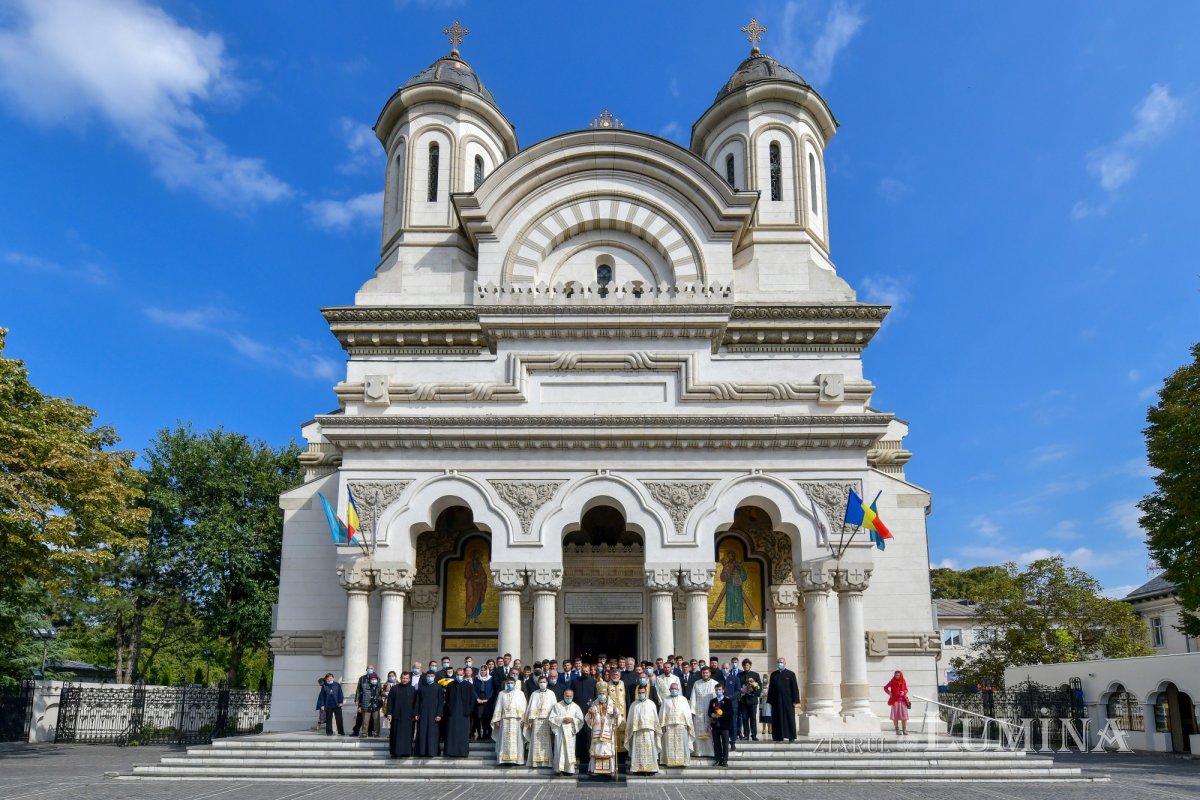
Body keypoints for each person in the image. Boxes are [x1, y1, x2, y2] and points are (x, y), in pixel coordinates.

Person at [585, 687, 622, 778]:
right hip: (597, 733)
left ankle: (609, 771)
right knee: (596, 751)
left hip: (608, 732)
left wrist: (615, 714)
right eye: (600, 694)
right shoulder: (594, 704)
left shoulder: (612, 705)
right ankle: (595, 770)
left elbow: (618, 717)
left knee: (607, 750)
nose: (602, 696)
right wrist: (591, 714)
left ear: (607, 694)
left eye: (603, 694)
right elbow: (588, 719)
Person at [624, 684, 661, 774]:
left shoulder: (651, 704)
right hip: (637, 732)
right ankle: (638, 769)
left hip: (649, 732)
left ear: (646, 693)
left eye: (643, 692)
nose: (641, 694)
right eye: (639, 693)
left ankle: (651, 769)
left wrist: (657, 730)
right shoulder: (634, 705)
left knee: (649, 750)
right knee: (638, 751)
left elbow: (655, 718)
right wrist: (629, 731)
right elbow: (630, 720)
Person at [549, 688, 586, 775]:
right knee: (559, 750)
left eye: (570, 696)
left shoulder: (576, 707)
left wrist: (572, 719)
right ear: (564, 696)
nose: (568, 698)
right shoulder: (557, 706)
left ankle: (569, 770)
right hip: (561, 731)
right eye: (567, 696)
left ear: (573, 696)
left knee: (570, 750)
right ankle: (559, 770)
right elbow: (551, 719)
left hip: (570, 732)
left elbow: (581, 720)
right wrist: (562, 719)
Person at [492, 675, 528, 764]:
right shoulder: (501, 693)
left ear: (515, 684)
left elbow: (524, 707)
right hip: (505, 720)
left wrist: (523, 720)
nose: (509, 685)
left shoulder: (520, 693)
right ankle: (503, 760)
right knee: (504, 740)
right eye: (508, 683)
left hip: (517, 720)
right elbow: (498, 706)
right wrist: (497, 719)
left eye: (511, 683)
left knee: (517, 740)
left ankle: (517, 760)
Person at [524, 675, 557, 768]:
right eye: (541, 682)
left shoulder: (551, 693)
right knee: (536, 741)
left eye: (544, 682)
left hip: (547, 721)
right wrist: (530, 720)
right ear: (538, 683)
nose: (542, 684)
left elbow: (555, 708)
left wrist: (553, 721)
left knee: (546, 742)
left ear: (547, 683)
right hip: (536, 720)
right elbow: (531, 707)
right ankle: (535, 762)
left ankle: (546, 762)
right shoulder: (534, 694)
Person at [658, 683, 693, 767]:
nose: (674, 690)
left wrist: (689, 725)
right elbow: (662, 713)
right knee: (670, 745)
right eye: (672, 689)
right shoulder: (665, 700)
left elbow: (687, 713)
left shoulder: (683, 699)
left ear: (678, 690)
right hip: (669, 726)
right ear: (669, 690)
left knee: (681, 745)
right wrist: (662, 726)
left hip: (681, 726)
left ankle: (682, 762)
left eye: (675, 689)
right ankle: (669, 761)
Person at [767, 656, 800, 742]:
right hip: (776, 701)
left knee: (789, 718)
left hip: (788, 701)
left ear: (785, 664)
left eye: (781, 662)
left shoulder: (791, 674)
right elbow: (771, 688)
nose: (779, 664)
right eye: (778, 662)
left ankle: (791, 736)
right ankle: (778, 736)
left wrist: (795, 700)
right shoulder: (773, 674)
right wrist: (770, 700)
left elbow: (795, 688)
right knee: (777, 718)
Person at [689, 666, 718, 759]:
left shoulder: (715, 683)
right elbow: (693, 697)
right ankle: (699, 751)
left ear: (709, 673)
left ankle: (711, 751)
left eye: (707, 673)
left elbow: (716, 698)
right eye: (703, 673)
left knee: (710, 731)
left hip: (710, 711)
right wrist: (692, 711)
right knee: (698, 731)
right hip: (699, 711)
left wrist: (716, 712)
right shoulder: (696, 684)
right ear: (701, 674)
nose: (705, 674)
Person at [571, 664, 598, 767]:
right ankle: (577, 755)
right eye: (584, 670)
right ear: (581, 670)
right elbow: (571, 696)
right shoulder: (575, 681)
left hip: (589, 712)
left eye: (587, 671)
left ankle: (588, 756)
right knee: (577, 733)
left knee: (589, 734)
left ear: (589, 671)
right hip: (577, 712)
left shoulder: (593, 682)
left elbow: (595, 698)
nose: (585, 672)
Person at [443, 669, 474, 757]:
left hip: (464, 714)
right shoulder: (450, 685)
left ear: (464, 674)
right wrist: (449, 709)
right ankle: (450, 752)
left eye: (461, 674)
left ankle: (462, 752)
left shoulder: (469, 685)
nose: (459, 676)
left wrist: (469, 711)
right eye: (457, 674)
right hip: (452, 714)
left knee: (463, 734)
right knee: (451, 732)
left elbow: (472, 700)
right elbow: (447, 699)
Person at [386, 670, 417, 757]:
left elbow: (415, 703)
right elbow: (390, 702)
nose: (405, 680)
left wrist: (415, 714)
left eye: (406, 678)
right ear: (400, 678)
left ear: (409, 679)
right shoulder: (394, 688)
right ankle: (395, 752)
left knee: (407, 736)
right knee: (396, 735)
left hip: (408, 718)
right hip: (396, 717)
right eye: (403, 678)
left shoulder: (412, 689)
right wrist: (389, 713)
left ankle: (407, 752)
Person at [414, 670, 444, 757]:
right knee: (422, 732)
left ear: (434, 677)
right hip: (422, 714)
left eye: (431, 676)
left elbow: (440, 702)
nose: (429, 677)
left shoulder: (438, 688)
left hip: (434, 714)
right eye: (428, 676)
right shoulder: (421, 687)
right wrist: (416, 713)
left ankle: (432, 752)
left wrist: (439, 714)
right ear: (426, 677)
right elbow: (417, 701)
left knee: (432, 733)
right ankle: (421, 751)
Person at [708, 684, 735, 767]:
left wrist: (722, 714)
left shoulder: (727, 701)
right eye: (716, 690)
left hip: (724, 726)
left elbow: (731, 713)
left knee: (725, 743)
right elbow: (709, 712)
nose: (718, 691)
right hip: (715, 725)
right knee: (716, 744)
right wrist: (712, 714)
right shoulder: (713, 701)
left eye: (719, 689)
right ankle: (718, 759)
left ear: (723, 690)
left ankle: (725, 760)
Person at [738, 659, 761, 741]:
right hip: (743, 700)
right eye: (744, 665)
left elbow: (759, 688)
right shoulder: (739, 675)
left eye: (747, 665)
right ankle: (746, 735)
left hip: (753, 700)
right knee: (744, 718)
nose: (746, 666)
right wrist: (741, 690)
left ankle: (754, 735)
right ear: (742, 666)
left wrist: (753, 690)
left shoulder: (755, 675)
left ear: (750, 666)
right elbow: (737, 687)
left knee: (753, 718)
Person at [351, 665, 377, 736]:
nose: (370, 669)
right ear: (366, 669)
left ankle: (370, 732)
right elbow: (358, 689)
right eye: (369, 668)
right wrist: (356, 699)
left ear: (373, 669)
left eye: (371, 668)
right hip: (363, 700)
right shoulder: (362, 678)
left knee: (371, 718)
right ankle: (356, 731)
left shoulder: (377, 678)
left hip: (372, 700)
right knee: (359, 717)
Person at [884, 670, 910, 735]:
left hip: (903, 700)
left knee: (904, 716)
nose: (897, 676)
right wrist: (889, 693)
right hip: (894, 701)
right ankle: (897, 730)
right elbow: (885, 687)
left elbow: (906, 689)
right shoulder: (892, 681)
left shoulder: (903, 681)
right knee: (895, 716)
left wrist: (904, 692)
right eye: (896, 675)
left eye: (898, 675)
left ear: (900, 675)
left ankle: (904, 730)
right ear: (894, 675)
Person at [358, 671, 383, 737]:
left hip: (376, 705)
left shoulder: (378, 686)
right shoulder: (364, 686)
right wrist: (360, 706)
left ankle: (376, 733)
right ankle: (364, 733)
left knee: (376, 721)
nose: (374, 680)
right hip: (366, 705)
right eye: (372, 679)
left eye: (375, 679)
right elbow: (360, 696)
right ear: (369, 679)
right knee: (365, 721)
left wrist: (380, 704)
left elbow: (381, 695)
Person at [474, 663, 495, 740]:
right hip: (479, 700)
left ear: (487, 671)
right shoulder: (476, 678)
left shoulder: (490, 678)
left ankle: (486, 734)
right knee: (478, 717)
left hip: (488, 700)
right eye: (482, 670)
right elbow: (473, 689)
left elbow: (492, 690)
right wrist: (477, 698)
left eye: (484, 670)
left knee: (486, 718)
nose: (483, 671)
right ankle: (479, 734)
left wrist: (487, 699)